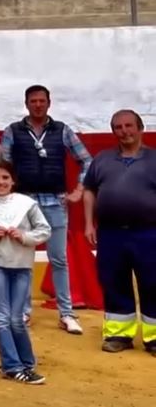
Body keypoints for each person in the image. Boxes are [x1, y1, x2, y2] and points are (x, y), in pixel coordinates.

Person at [1, 85, 92, 335]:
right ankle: (23, 311)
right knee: (23, 259)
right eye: (33, 101)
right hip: (24, 203)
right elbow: (4, 165)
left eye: (42, 101)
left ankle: (66, 313)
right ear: (26, 104)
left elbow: (87, 160)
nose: (38, 105)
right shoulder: (13, 131)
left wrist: (79, 190)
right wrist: (8, 197)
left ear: (49, 103)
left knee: (59, 259)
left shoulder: (62, 130)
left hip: (55, 201)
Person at [82, 110, 156, 354]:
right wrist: (89, 224)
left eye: (129, 126)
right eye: (118, 127)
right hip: (111, 234)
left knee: (153, 283)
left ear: (140, 128)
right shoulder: (102, 160)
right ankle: (118, 335)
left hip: (148, 233)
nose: (124, 131)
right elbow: (90, 190)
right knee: (113, 282)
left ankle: (154, 338)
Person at [0, 161, 50, 385]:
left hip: (21, 265)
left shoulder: (27, 204)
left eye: (5, 178)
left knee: (16, 318)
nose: (0, 182)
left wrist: (25, 237)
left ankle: (26, 363)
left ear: (13, 180)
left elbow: (44, 230)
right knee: (1, 317)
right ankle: (12, 366)